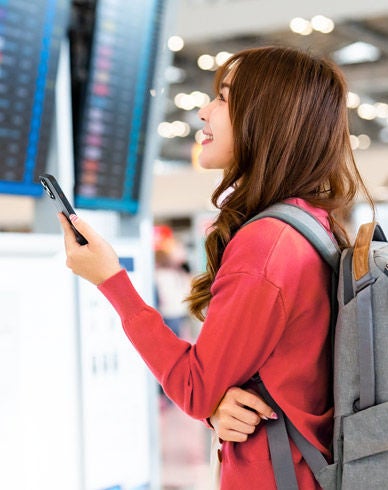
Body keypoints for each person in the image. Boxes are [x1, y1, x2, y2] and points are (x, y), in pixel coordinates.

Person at [58, 46, 372, 489]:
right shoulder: (311, 224)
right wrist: (219, 404)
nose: (205, 111)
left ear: (267, 117)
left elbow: (193, 387)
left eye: (224, 97)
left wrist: (111, 281)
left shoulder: (267, 244)